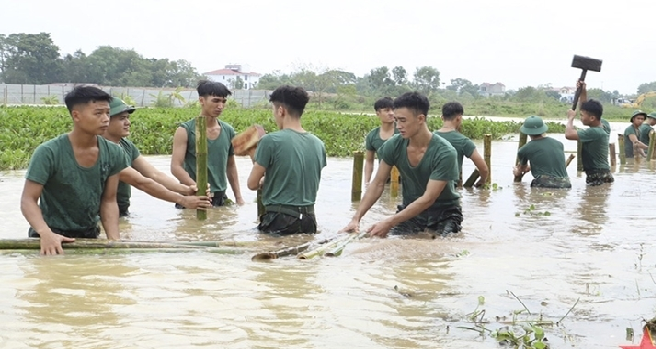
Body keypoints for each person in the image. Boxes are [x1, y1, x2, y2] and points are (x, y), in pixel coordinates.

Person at [20, 86, 127, 255]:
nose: (106, 119)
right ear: (76, 115)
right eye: (98, 113)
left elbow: (109, 201)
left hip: (88, 236)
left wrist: (115, 241)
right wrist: (45, 232)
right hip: (50, 237)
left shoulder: (114, 152)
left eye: (107, 113)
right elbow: (28, 200)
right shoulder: (48, 152)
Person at [340, 91, 461, 237]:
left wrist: (389, 222)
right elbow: (378, 183)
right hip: (409, 213)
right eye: (396, 120)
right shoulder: (394, 145)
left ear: (420, 119)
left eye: (403, 120)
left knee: (439, 250)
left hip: (444, 215)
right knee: (386, 243)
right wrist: (356, 218)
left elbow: (428, 198)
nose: (398, 126)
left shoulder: (445, 152)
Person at [103, 97, 212, 215]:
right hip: (100, 213)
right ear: (105, 120)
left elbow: (154, 175)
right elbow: (140, 182)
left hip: (120, 211)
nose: (128, 123)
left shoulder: (126, 145)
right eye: (122, 118)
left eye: (128, 118)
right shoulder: (102, 149)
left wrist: (187, 189)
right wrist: (182, 200)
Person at [247, 86, 327, 235]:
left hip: (280, 219)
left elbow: (252, 184)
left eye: (274, 111)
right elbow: (297, 179)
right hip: (309, 220)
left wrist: (254, 154)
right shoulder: (318, 143)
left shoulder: (269, 140)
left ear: (281, 110)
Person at [171, 80, 245, 207]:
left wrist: (238, 197)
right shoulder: (185, 130)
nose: (220, 106)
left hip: (220, 196)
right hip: (193, 197)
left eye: (223, 101)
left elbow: (231, 166)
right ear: (201, 101)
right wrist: (197, 187)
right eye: (215, 101)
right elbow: (176, 167)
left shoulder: (228, 130)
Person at [565, 81, 613, 185]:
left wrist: (570, 118)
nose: (580, 117)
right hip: (602, 173)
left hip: (598, 175)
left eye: (581, 115)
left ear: (592, 118)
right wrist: (583, 91)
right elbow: (585, 108)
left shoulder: (594, 132)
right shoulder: (604, 125)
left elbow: (569, 134)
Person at [435, 102, 489, 187]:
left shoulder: (429, 137)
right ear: (459, 118)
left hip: (427, 187)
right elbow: (483, 168)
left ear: (442, 118)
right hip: (449, 189)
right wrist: (482, 180)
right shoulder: (463, 141)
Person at [512, 116, 571, 188]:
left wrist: (516, 171)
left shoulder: (524, 149)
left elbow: (521, 169)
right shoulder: (559, 144)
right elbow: (549, 161)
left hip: (544, 183)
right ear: (543, 129)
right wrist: (530, 167)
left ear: (527, 132)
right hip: (566, 184)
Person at [364, 97, 399, 184]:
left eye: (393, 110)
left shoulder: (402, 131)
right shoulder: (372, 135)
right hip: (384, 179)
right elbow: (369, 162)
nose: (391, 113)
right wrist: (366, 183)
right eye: (387, 110)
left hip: (404, 179)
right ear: (378, 113)